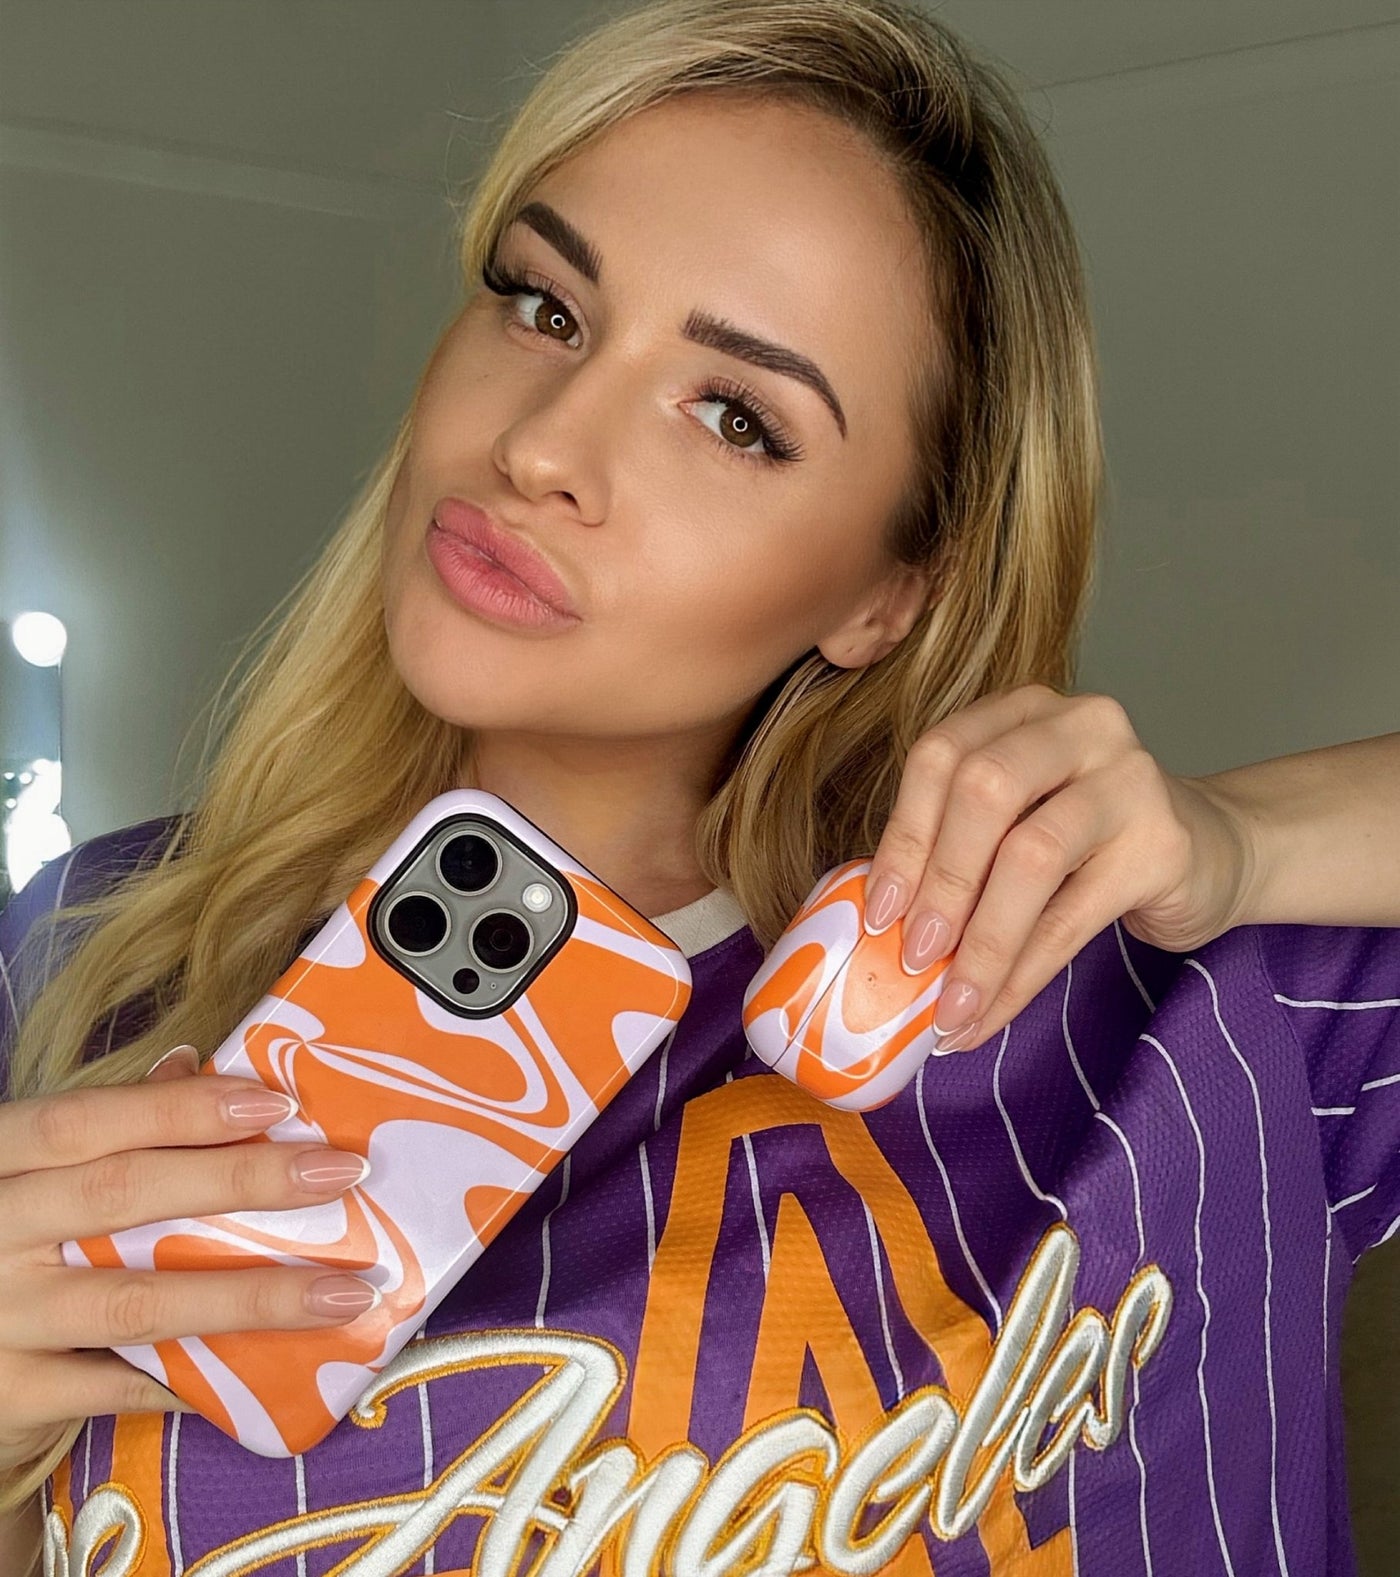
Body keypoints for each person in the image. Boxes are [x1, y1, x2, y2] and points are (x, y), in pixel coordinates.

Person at [1, 0, 1397, 1571]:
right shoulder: (80, 949)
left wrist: (1239, 837)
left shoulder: (1182, 1009)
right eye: (545, 306)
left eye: (738, 418)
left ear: (890, 595)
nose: (544, 446)